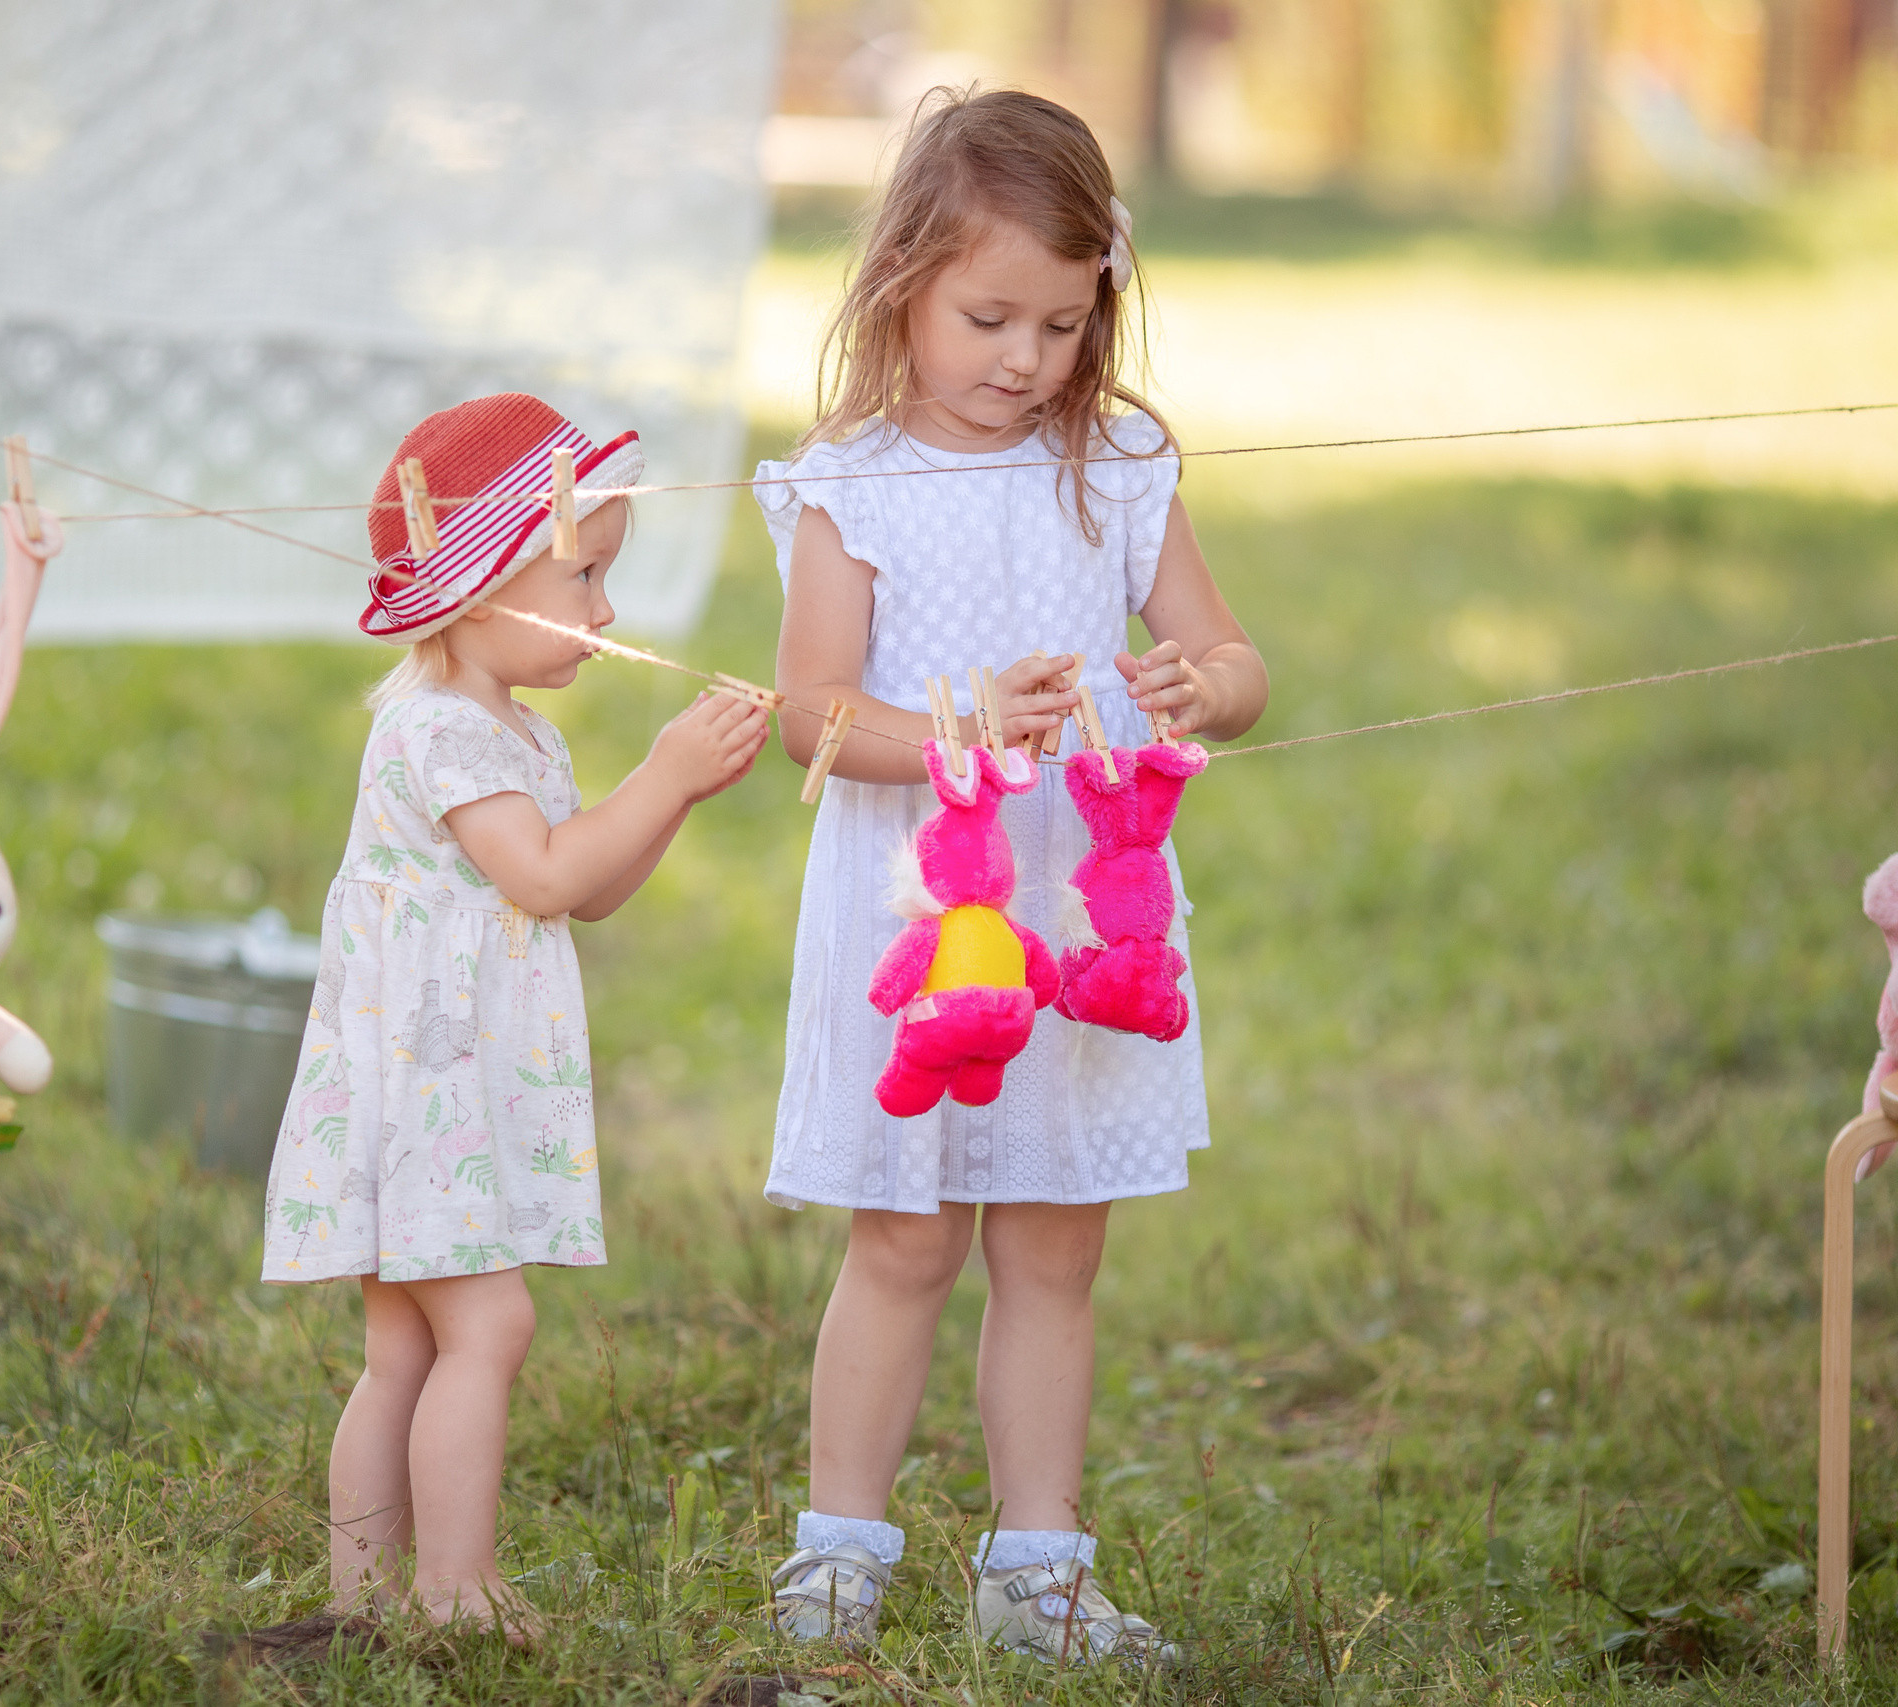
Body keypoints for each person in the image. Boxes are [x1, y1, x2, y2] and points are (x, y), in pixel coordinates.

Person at [759, 88, 1268, 1665]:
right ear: (901, 277)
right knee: (904, 1238)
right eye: (988, 315)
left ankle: (1036, 1569)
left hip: (1079, 920)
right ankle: (839, 1552)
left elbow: (1231, 655)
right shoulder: (853, 478)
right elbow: (812, 720)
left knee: (1058, 1240)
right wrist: (956, 725)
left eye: (1060, 320)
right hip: (924, 923)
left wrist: (1205, 687)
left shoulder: (1114, 462)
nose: (1024, 357)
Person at [261, 393, 771, 1636]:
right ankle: (451, 1587)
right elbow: (542, 875)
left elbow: (583, 896)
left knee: (407, 1350)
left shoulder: (515, 734)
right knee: (488, 1325)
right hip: (427, 1086)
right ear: (480, 581)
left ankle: (362, 1595)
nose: (605, 611)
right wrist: (659, 774)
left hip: (438, 1092)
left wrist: (675, 800)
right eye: (583, 574)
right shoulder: (440, 732)